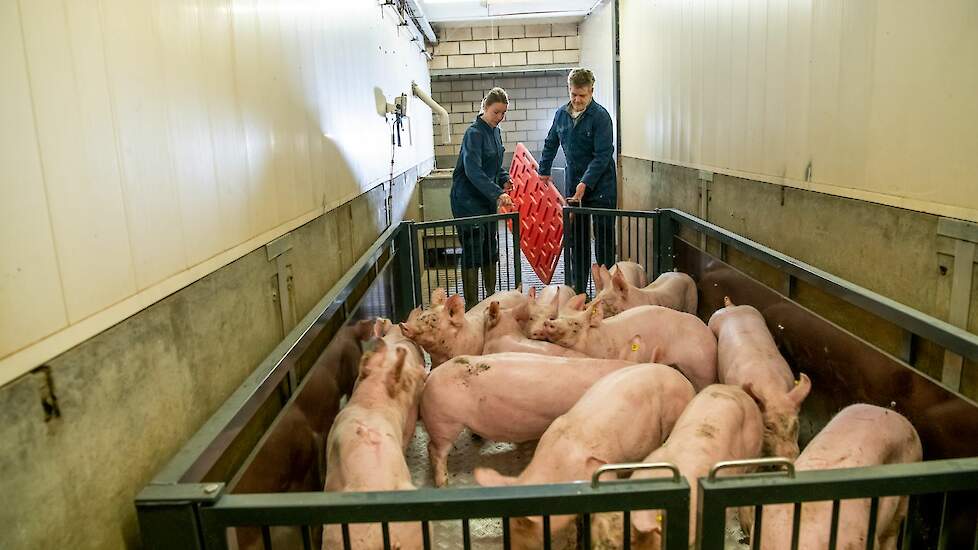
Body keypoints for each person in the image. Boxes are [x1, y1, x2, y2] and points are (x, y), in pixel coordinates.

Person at [537, 68, 617, 291]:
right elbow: (551, 142)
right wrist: (543, 170)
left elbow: (603, 156)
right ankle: (579, 293)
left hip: (601, 187)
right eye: (573, 94)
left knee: (604, 244)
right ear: (569, 90)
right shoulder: (561, 115)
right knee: (577, 243)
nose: (577, 99)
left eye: (582, 95)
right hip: (574, 186)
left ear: (592, 91)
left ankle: (606, 294)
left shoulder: (601, 117)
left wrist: (585, 183)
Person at [451, 87, 514, 310]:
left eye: (503, 113)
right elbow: (473, 170)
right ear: (485, 108)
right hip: (468, 200)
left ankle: (490, 297)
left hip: (485, 199)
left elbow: (495, 164)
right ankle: (471, 303)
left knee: (490, 246)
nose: (500, 117)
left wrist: (505, 178)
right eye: (496, 112)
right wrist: (498, 193)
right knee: (473, 248)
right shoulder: (474, 133)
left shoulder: (496, 132)